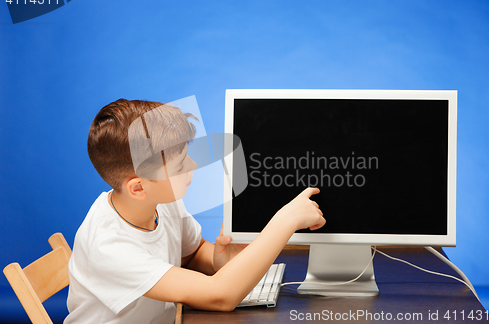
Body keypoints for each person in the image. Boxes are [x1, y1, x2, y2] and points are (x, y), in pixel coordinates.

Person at [65, 98, 326, 324]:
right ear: (138, 188)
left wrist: (215, 259)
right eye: (180, 165)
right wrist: (287, 219)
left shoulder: (160, 200)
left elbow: (190, 254)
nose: (193, 164)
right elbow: (221, 296)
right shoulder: (109, 246)